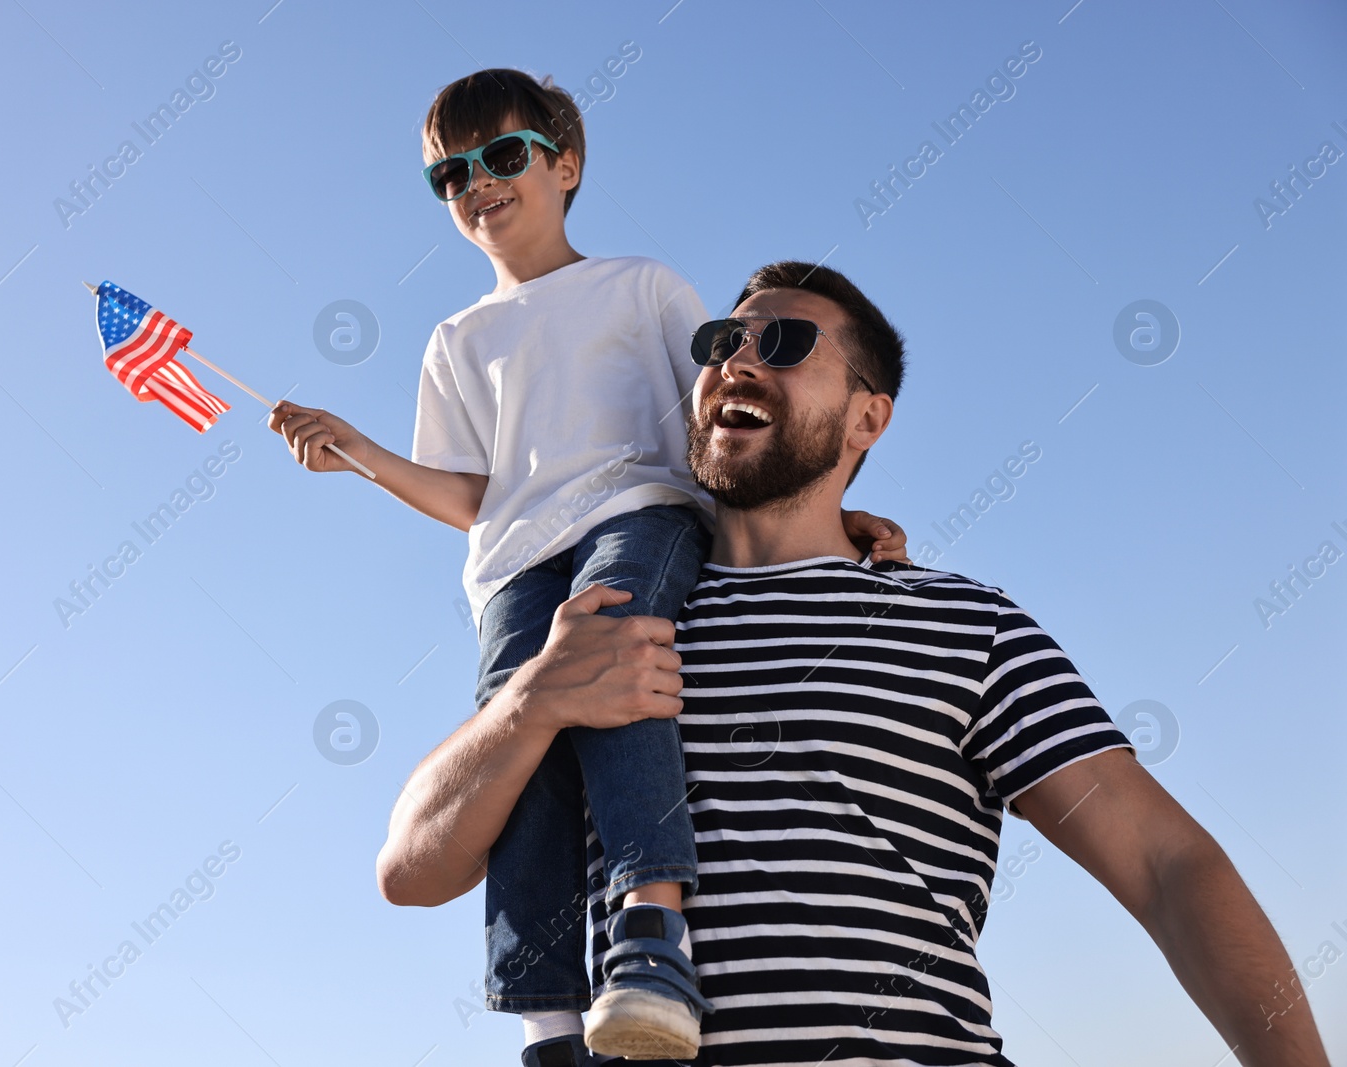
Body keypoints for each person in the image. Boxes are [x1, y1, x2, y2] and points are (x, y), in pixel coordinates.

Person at [375, 260, 1332, 1066]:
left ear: (868, 419)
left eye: (785, 346)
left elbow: (1167, 863)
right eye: (720, 345)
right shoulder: (598, 623)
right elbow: (411, 869)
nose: (737, 361)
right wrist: (533, 702)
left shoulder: (965, 622)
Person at [268, 72, 906, 1063]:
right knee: (521, 751)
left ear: (564, 165)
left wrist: (826, 507)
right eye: (450, 173)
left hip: (637, 512)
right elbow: (473, 497)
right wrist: (360, 450)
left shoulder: (641, 285)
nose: (477, 182)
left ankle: (653, 930)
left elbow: (717, 418)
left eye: (501, 155)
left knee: (619, 664)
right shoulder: (453, 340)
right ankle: (548, 1021)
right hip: (513, 561)